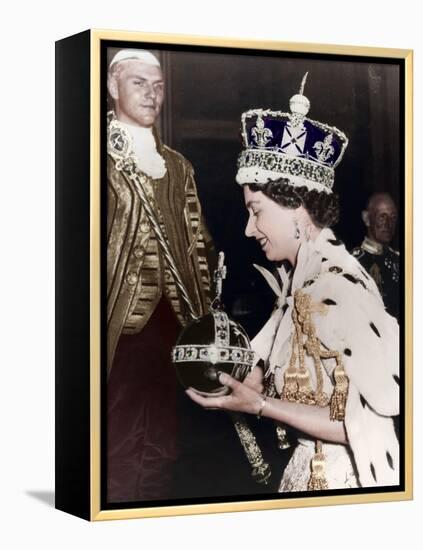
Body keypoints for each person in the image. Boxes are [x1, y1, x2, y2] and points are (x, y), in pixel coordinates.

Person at [187, 75, 400, 491]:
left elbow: (365, 425)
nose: (249, 229)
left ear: (296, 207)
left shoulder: (338, 288)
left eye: (257, 211)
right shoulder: (303, 283)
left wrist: (262, 405)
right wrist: (253, 383)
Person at [106, 49, 213, 502]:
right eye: (138, 83)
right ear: (113, 88)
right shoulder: (94, 158)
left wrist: (205, 318)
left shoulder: (179, 165)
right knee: (117, 444)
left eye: (158, 85)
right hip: (116, 327)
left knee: (163, 448)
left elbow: (198, 246)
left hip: (172, 328)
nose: (152, 94)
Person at [352, 192, 400, 319]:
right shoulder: (354, 263)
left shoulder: (399, 260)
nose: (388, 224)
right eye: (382, 217)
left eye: (393, 217)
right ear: (367, 218)